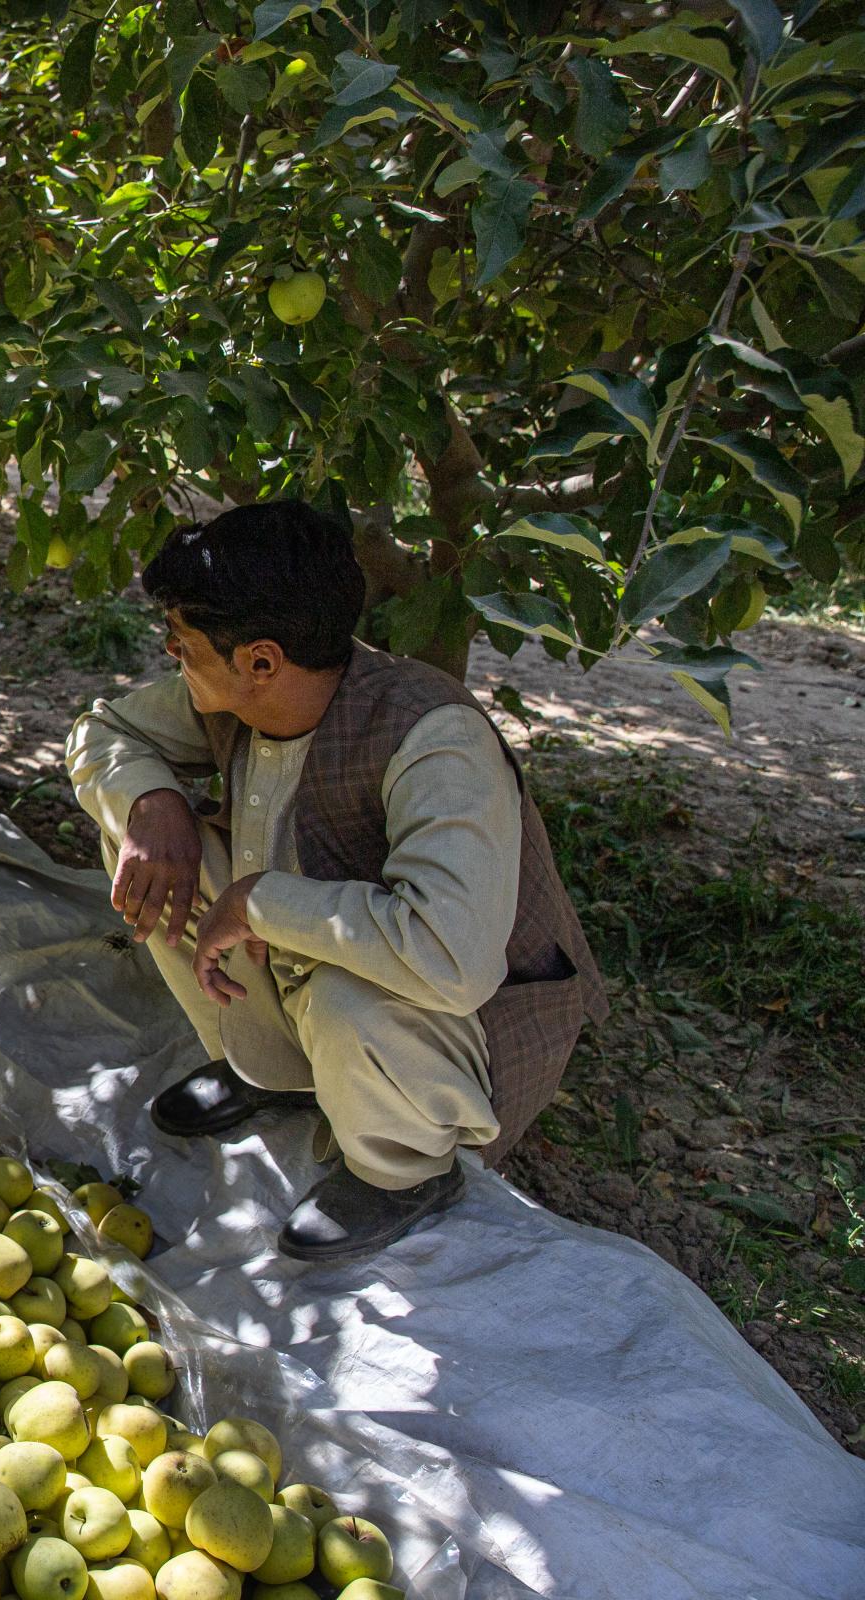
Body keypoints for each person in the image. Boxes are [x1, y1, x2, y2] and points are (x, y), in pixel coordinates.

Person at [66, 501, 607, 1261]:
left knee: (349, 998)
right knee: (145, 849)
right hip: (316, 960)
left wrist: (259, 903)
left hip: (457, 1024)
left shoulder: (433, 742)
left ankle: (403, 1168)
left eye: (182, 645)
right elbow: (101, 731)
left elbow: (450, 959)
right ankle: (274, 1068)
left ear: (260, 661)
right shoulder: (243, 697)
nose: (171, 656)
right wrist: (151, 805)